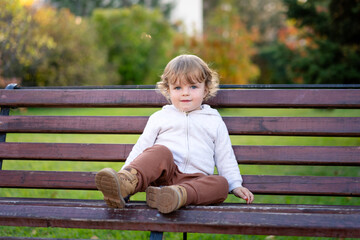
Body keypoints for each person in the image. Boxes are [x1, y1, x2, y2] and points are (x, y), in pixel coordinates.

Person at [95, 54, 254, 214]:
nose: (185, 93)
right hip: (164, 176)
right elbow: (141, 149)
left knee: (221, 184)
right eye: (178, 88)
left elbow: (225, 156)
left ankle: (176, 195)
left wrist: (235, 184)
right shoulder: (160, 118)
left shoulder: (214, 121)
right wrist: (123, 178)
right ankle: (125, 184)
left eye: (193, 87)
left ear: (205, 89)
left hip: (197, 181)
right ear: (168, 90)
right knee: (159, 151)